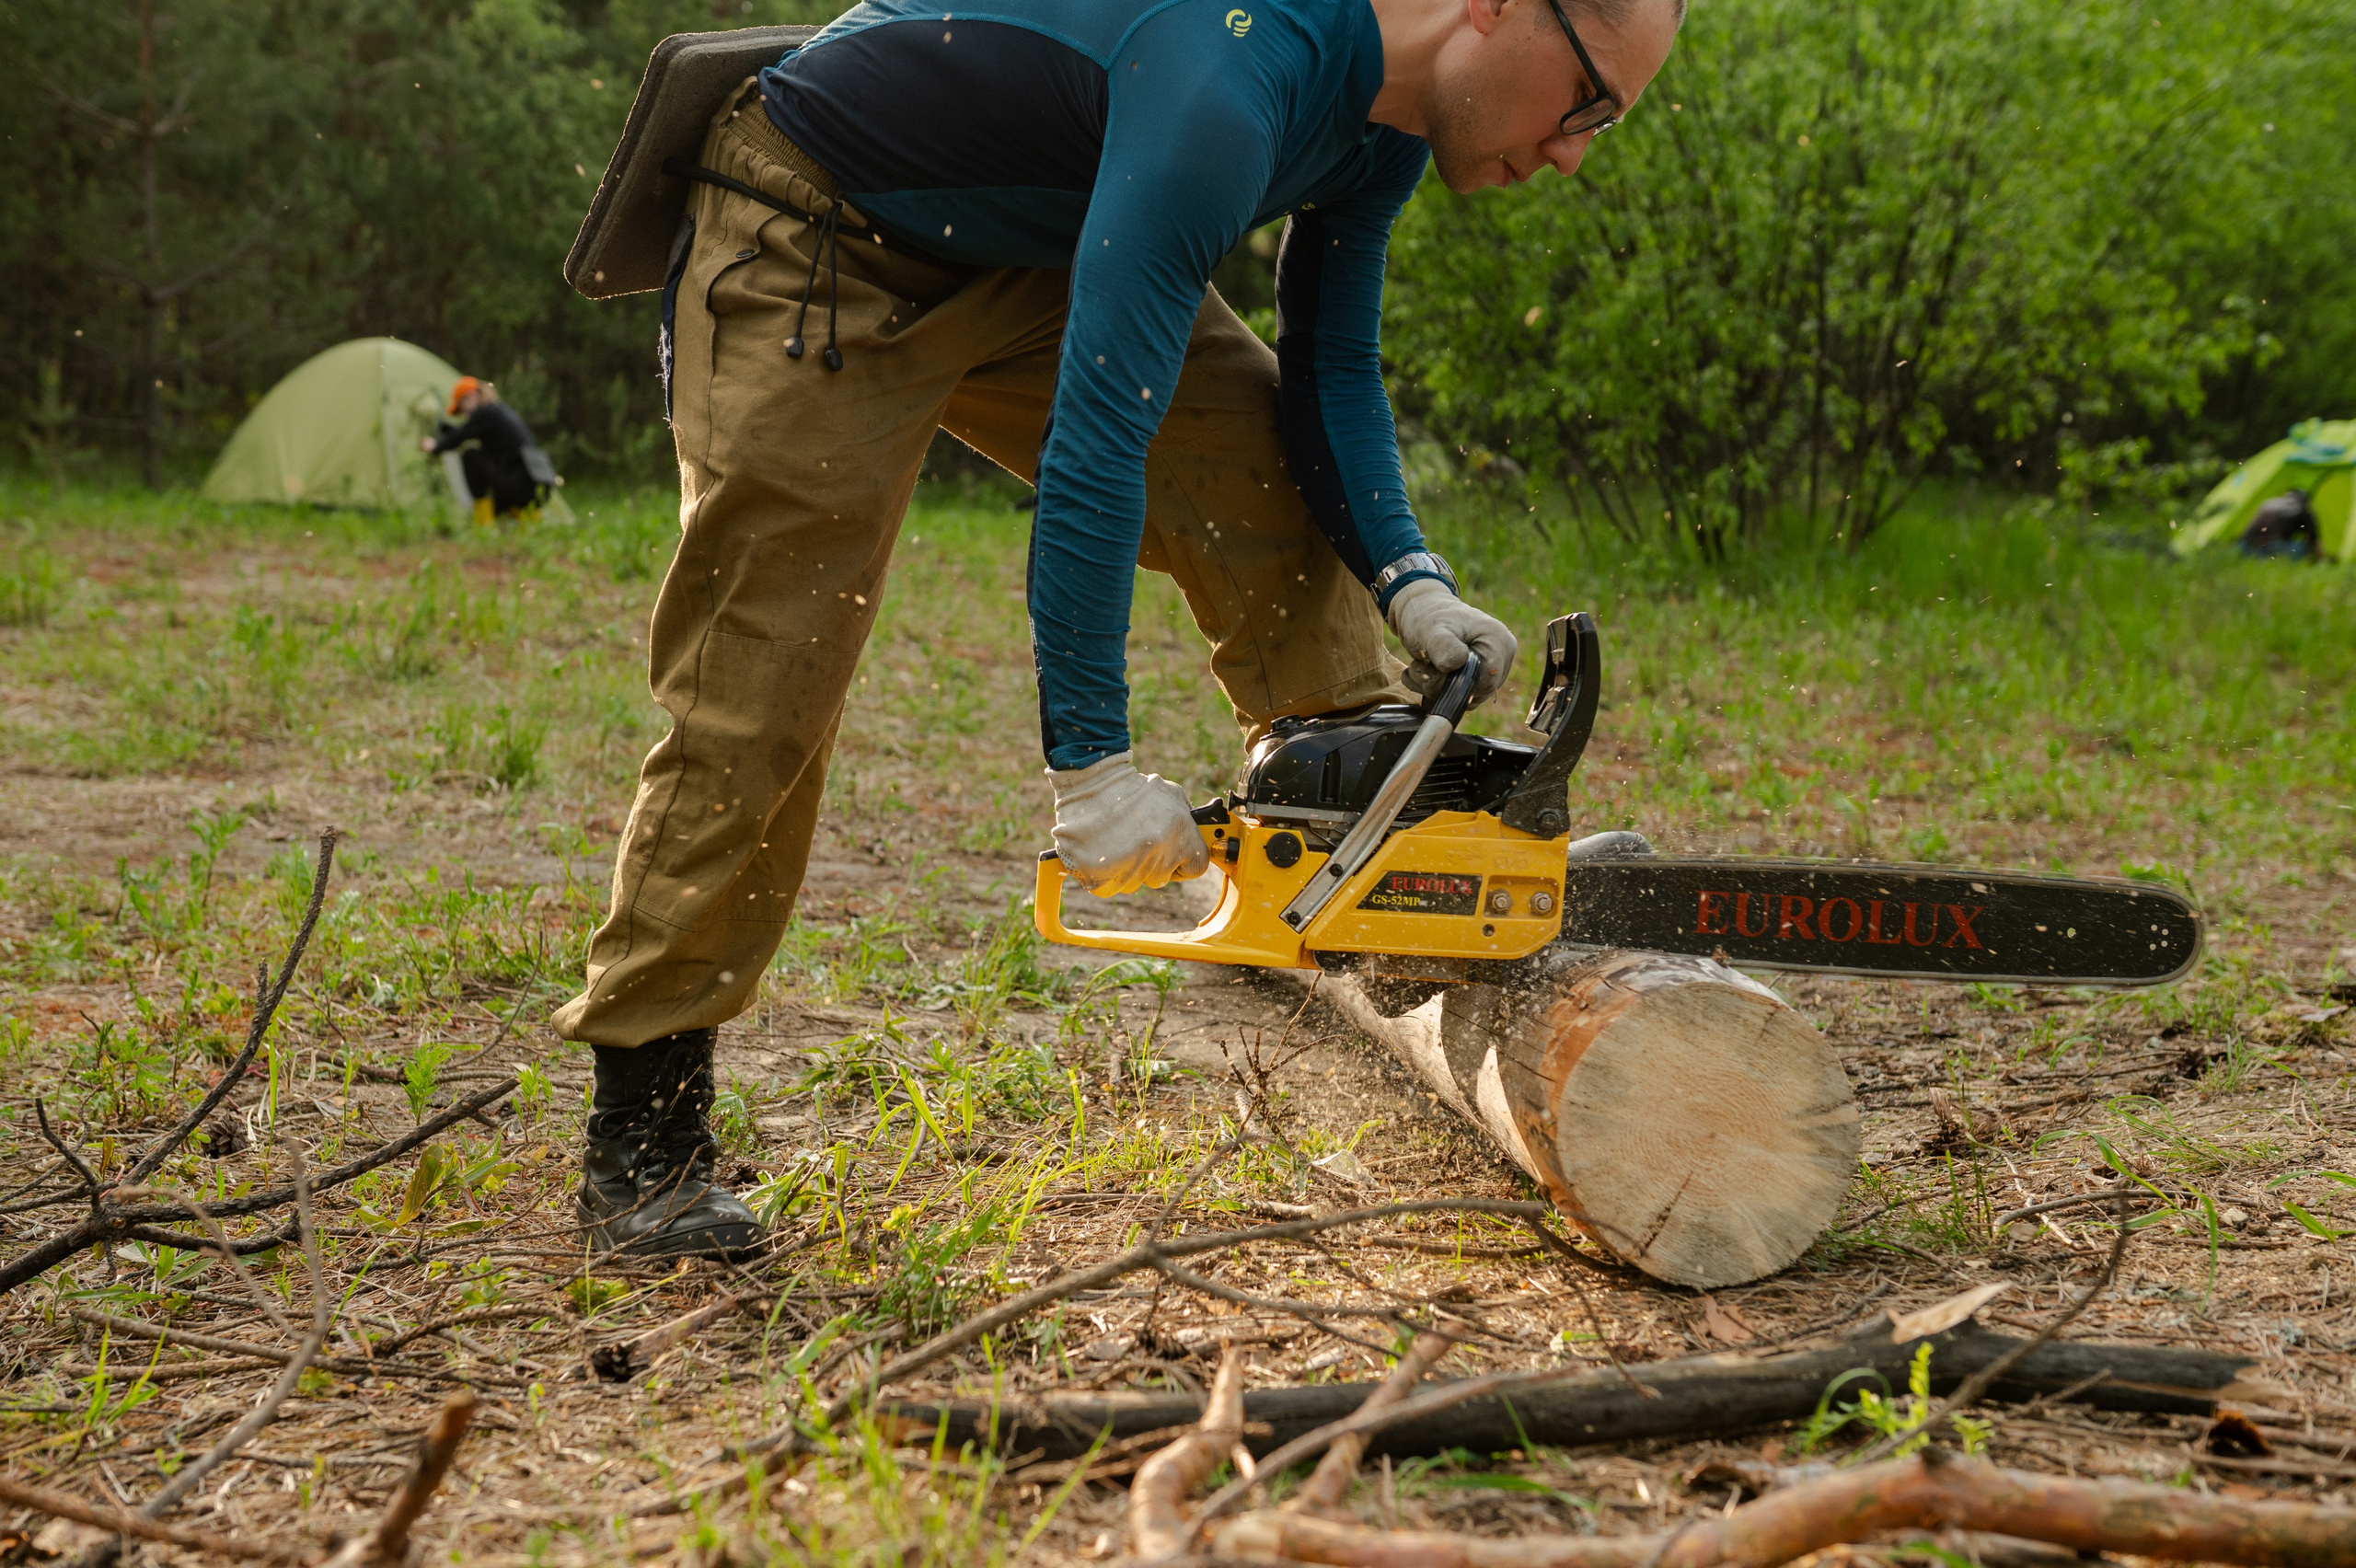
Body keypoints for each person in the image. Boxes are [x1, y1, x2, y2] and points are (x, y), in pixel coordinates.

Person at [558, 0, 1685, 1256]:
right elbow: (1104, 442)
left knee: (1263, 463)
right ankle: (645, 1134)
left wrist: (1407, 575)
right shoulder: (1230, 77)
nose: (1578, 148)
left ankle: (1353, 843)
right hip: (817, 228)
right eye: (1587, 102)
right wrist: (1088, 764)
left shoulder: (1392, 124)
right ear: (1491, 7)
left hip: (1033, 243)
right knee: (768, 662)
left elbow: (1330, 372)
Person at [422, 376, 552, 520]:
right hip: (531, 487)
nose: (464, 413)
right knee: (486, 459)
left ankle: (483, 523)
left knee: (470, 455)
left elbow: (460, 437)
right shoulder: (497, 411)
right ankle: (522, 522)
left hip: (520, 488)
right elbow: (464, 432)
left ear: (472, 396)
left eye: (462, 405)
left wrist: (435, 447)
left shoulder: (486, 413)